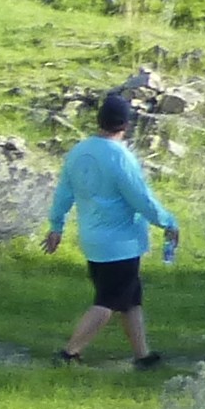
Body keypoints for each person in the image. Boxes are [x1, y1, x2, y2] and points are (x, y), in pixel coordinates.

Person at [41, 89, 181, 368]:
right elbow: (140, 198)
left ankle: (143, 356)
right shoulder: (121, 157)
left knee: (131, 300)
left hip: (92, 240)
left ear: (99, 121)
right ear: (126, 125)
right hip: (121, 243)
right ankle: (69, 353)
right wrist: (167, 222)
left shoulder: (79, 152)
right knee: (107, 302)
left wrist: (56, 226)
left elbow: (63, 193)